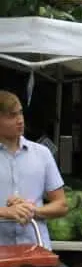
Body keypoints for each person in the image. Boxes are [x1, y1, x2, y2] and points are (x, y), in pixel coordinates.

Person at [0, 91, 68, 248]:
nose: (20, 120)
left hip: (36, 248)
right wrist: (5, 212)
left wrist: (32, 210)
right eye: (12, 116)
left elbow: (61, 205)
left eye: (21, 113)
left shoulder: (42, 153)